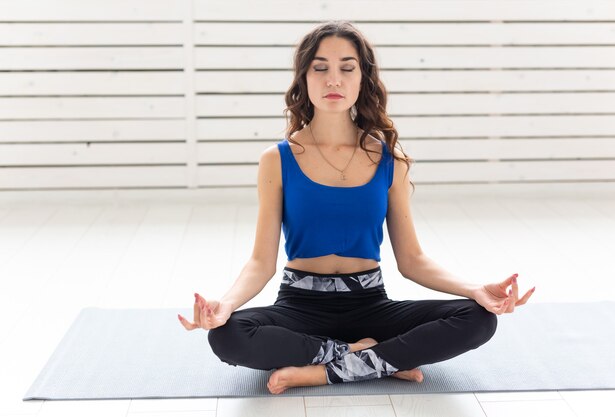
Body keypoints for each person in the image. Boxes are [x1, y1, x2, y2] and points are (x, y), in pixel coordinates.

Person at [178, 20, 535, 395]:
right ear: (304, 78)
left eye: (347, 68)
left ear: (363, 78)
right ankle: (371, 359)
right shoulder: (276, 160)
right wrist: (226, 305)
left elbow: (412, 260)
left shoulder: (390, 161)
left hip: (370, 305)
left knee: (478, 320)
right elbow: (260, 263)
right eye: (321, 68)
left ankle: (317, 370)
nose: (334, 80)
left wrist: (476, 289)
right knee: (227, 335)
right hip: (300, 306)